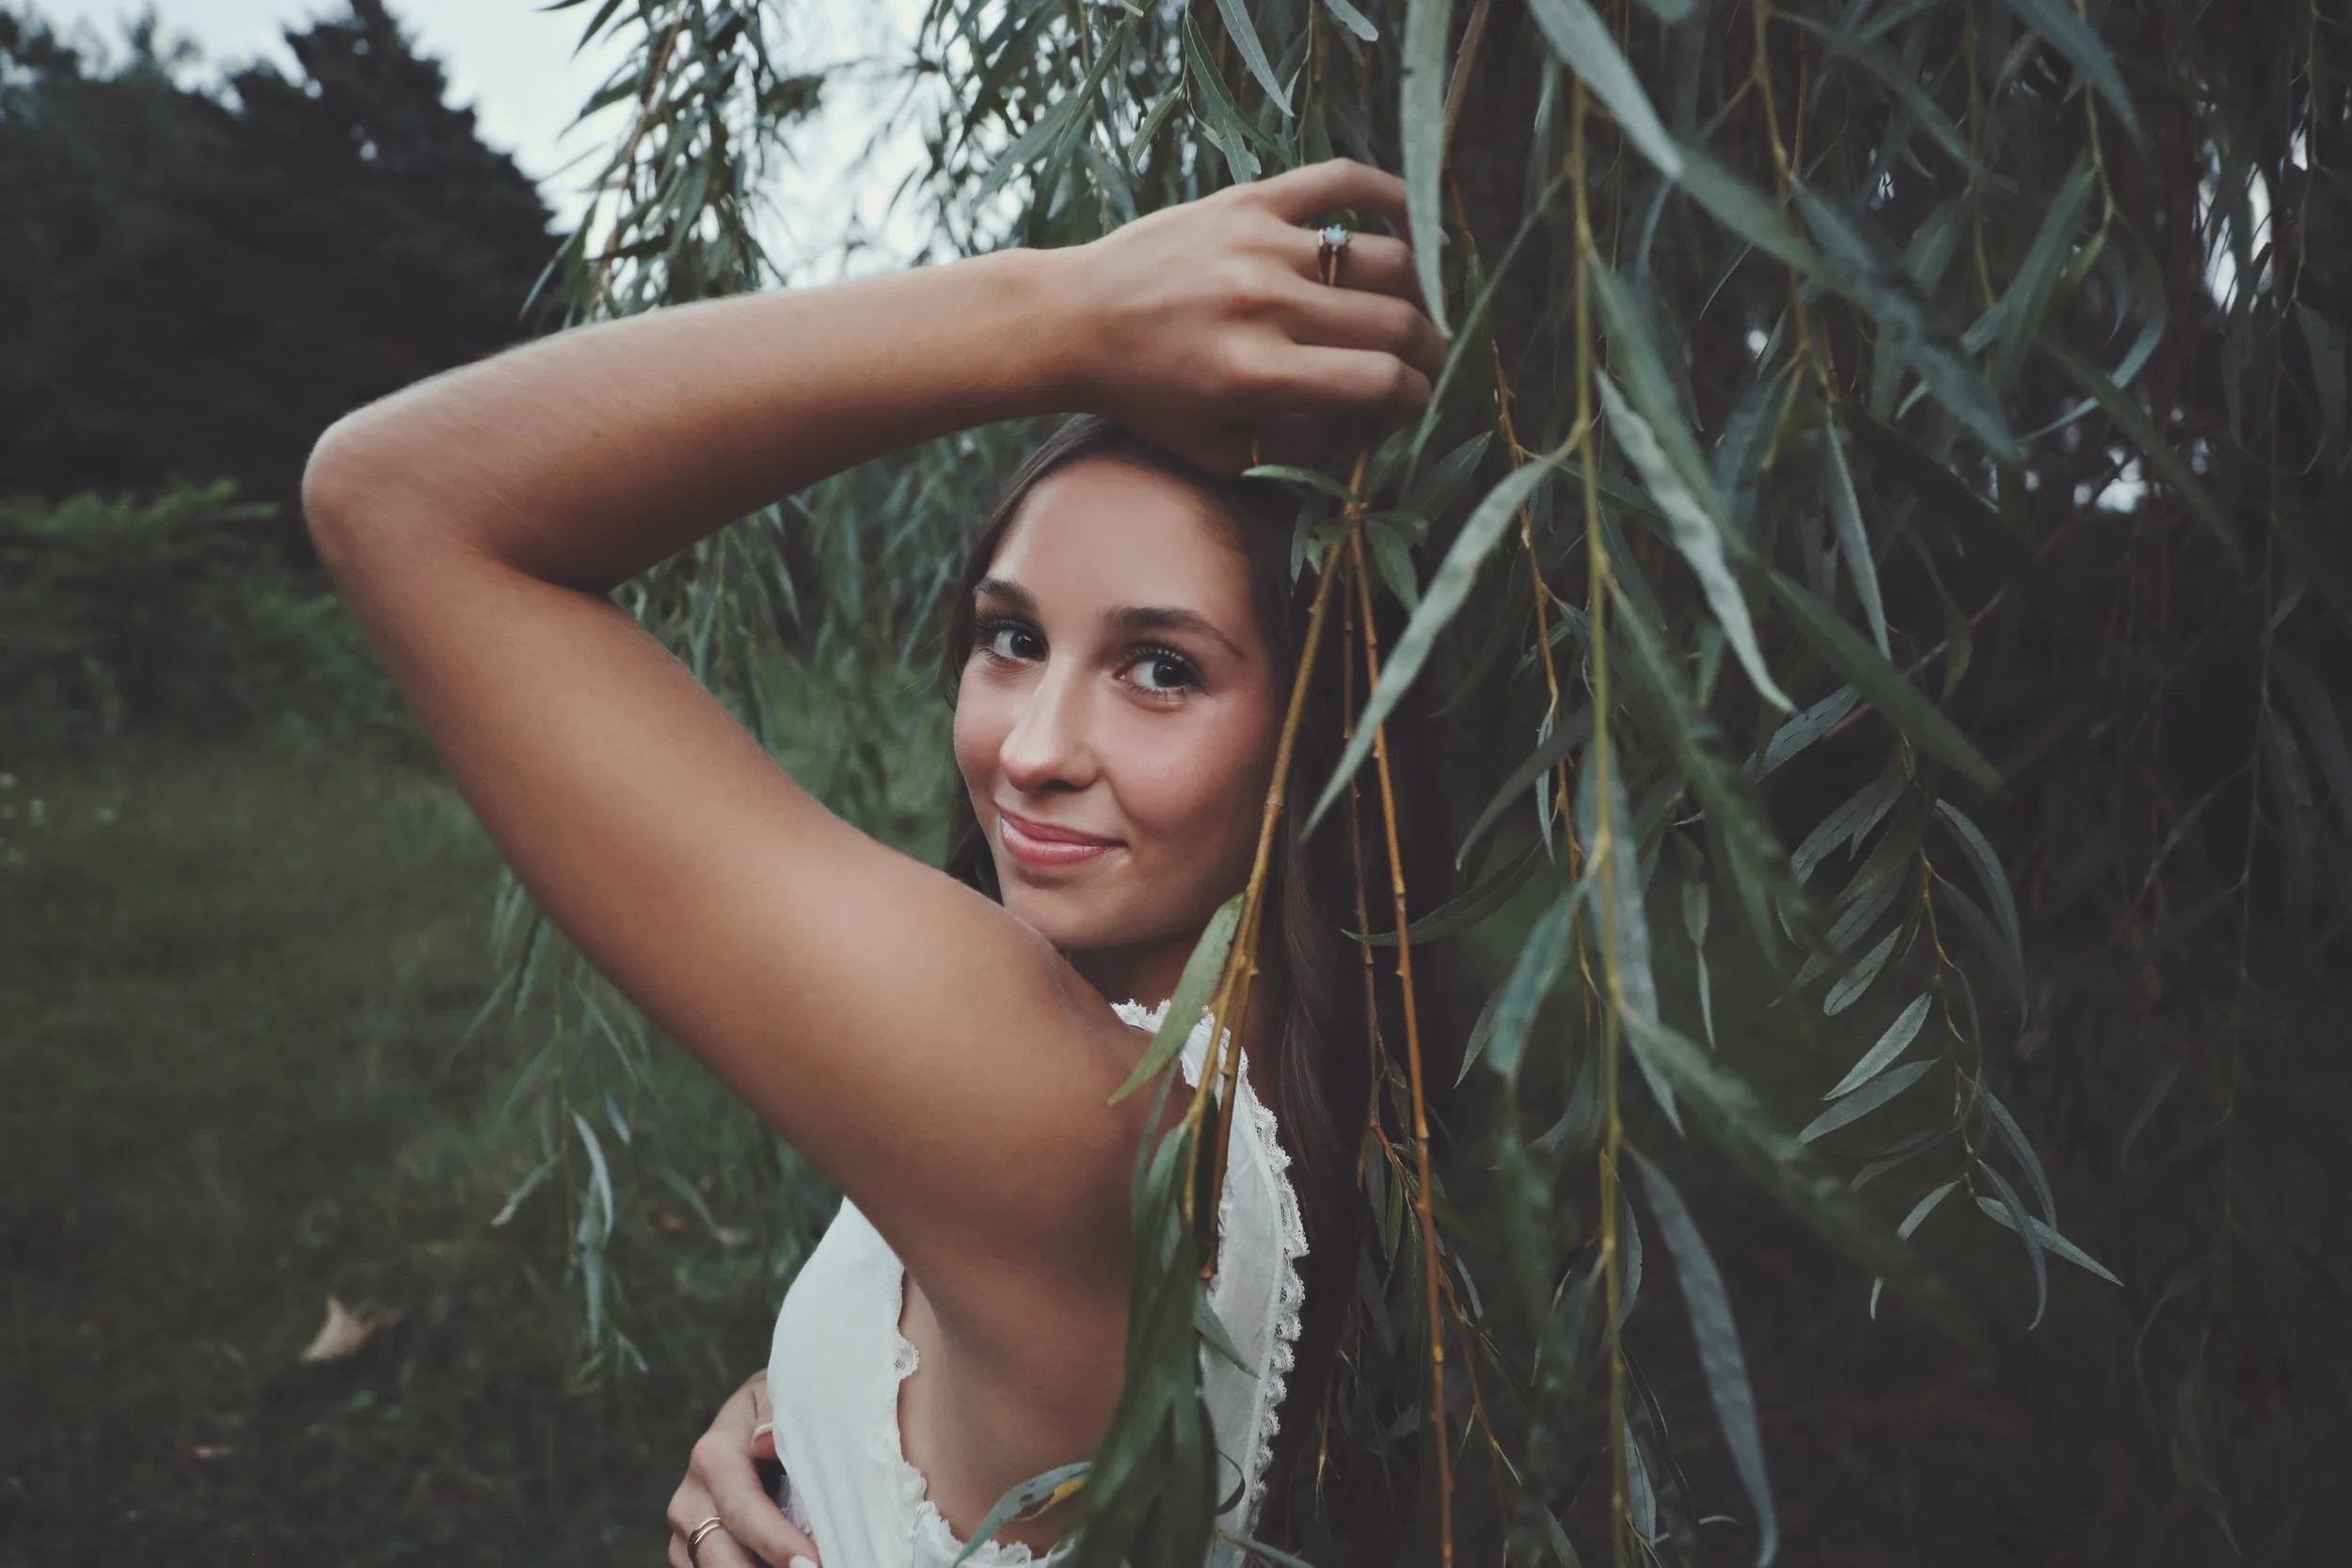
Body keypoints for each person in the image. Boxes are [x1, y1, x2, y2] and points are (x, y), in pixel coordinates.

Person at [304, 158, 1451, 1565]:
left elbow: (399, 492)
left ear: (1325, 727)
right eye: (1011, 635)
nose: (1032, 748)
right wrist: (808, 1427)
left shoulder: (1069, 1116)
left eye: (1161, 668)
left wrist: (1064, 309)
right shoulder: (1299, 1074)